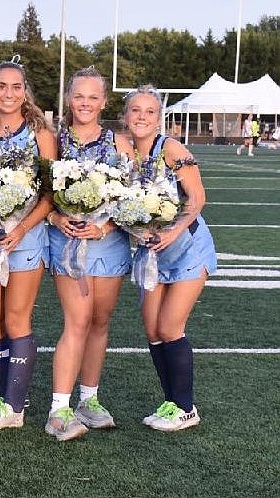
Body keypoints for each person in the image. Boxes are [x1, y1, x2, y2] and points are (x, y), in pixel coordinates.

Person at [44, 67, 132, 441]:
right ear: (69, 99)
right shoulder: (53, 141)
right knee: (77, 321)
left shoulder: (119, 142)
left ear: (104, 101)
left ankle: (89, 399)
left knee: (99, 321)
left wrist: (106, 226)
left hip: (108, 241)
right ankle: (58, 410)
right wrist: (55, 216)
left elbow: (133, 194)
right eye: (79, 95)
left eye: (93, 97)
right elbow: (39, 191)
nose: (85, 103)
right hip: (68, 240)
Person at [0, 57, 56, 430]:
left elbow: (52, 194)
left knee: (16, 318)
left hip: (27, 236)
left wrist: (20, 228)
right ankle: (5, 396)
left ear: (25, 92)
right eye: (1, 86)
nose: (8, 93)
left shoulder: (40, 134)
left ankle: (14, 408)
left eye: (15, 87)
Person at [123, 85, 216, 432]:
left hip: (187, 248)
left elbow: (197, 198)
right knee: (151, 329)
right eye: (136, 110)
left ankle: (186, 409)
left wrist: (173, 231)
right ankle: (171, 402)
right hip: (151, 254)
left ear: (158, 119)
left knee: (169, 327)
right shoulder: (126, 155)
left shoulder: (171, 149)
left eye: (149, 111)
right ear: (126, 116)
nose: (142, 117)